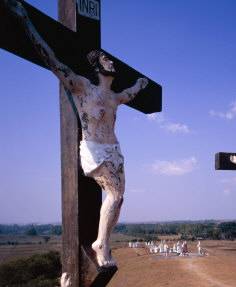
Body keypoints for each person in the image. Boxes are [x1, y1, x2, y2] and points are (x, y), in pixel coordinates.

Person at [6, 0, 148, 268]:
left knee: (119, 199)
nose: (111, 60)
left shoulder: (115, 97)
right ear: (96, 66)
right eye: (105, 59)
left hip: (115, 151)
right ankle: (101, 245)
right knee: (115, 197)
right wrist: (25, 21)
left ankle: (102, 241)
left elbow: (133, 92)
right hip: (94, 149)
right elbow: (52, 60)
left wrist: (141, 85)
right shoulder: (83, 88)